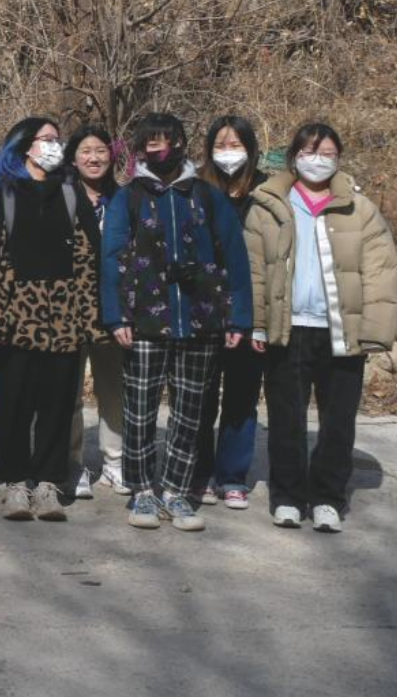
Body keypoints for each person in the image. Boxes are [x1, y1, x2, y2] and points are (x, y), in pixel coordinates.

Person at [101, 112, 253, 533]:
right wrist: (115, 315)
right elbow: (112, 258)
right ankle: (142, 491)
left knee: (190, 413)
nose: (161, 148)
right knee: (140, 411)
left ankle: (177, 492)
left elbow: (235, 258)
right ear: (140, 149)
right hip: (144, 321)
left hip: (201, 320)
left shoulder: (207, 196)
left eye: (168, 140)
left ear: (183, 144)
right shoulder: (128, 198)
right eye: (152, 142)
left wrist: (238, 318)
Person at [245, 122, 397, 533]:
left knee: (338, 421)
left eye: (328, 153)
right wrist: (257, 325)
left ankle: (328, 497)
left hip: (340, 330)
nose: (318, 160)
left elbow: (380, 271)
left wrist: (373, 330)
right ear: (294, 157)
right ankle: (288, 497)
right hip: (288, 328)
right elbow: (254, 271)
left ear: (339, 159)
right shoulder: (269, 206)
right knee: (286, 419)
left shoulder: (359, 209)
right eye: (310, 152)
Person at [0, 117, 101, 523]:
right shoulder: (3, 193)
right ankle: (16, 481)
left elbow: (89, 253)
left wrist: (89, 314)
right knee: (12, 403)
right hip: (13, 314)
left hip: (64, 315)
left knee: (58, 403)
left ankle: (49, 482)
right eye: (46, 139)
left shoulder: (70, 191)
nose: (54, 145)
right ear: (25, 146)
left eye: (57, 139)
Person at [194, 114, 268, 508]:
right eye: (220, 145)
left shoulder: (266, 194)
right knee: (199, 397)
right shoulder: (194, 189)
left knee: (241, 398)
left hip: (248, 310)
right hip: (203, 311)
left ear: (250, 149)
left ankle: (232, 476)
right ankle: (199, 473)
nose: (227, 153)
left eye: (235, 145)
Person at [65, 124, 127, 500]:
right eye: (85, 151)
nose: (94, 158)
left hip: (112, 309)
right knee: (68, 391)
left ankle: (114, 463)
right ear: (73, 158)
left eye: (101, 150)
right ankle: (73, 463)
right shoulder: (62, 197)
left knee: (113, 389)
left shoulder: (124, 199)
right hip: (69, 309)